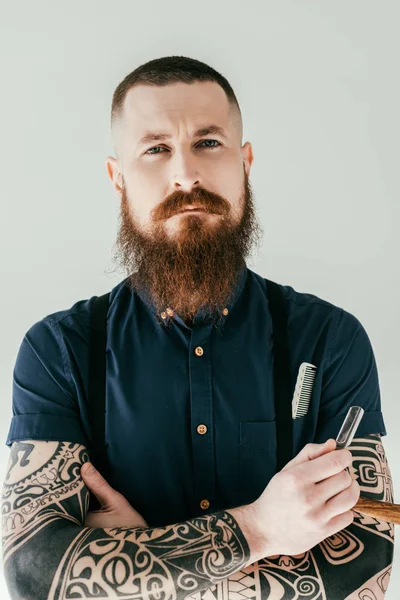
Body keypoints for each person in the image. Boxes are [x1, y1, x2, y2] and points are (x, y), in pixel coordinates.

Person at [2, 56, 394, 600]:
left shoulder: (330, 339)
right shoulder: (58, 352)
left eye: (208, 143)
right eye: (155, 149)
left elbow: (366, 568)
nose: (185, 173)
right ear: (118, 177)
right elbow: (32, 573)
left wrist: (139, 565)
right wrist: (261, 529)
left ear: (245, 161)